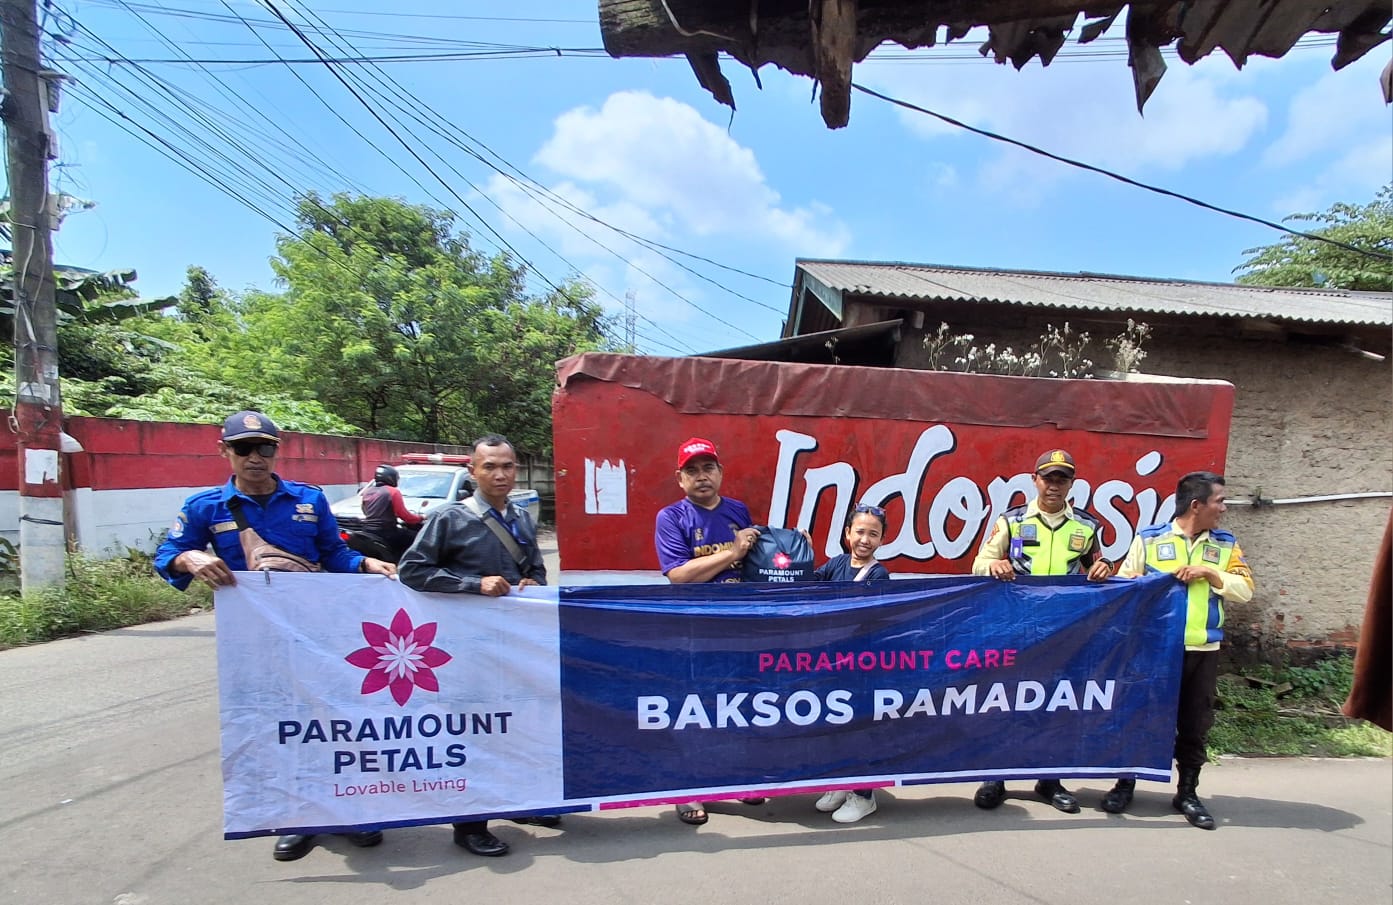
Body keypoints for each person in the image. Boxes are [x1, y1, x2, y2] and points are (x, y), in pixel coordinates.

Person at [153, 410, 396, 863]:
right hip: (255, 642)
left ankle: (354, 807)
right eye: (243, 448)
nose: (254, 457)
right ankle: (297, 818)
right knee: (280, 729)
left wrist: (366, 564)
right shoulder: (205, 507)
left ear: (275, 450)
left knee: (336, 720)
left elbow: (334, 553)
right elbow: (166, 553)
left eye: (264, 447)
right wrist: (190, 558)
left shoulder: (309, 500)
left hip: (315, 632)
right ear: (224, 450)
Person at [397, 433, 557, 857]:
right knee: (475, 733)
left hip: (514, 646)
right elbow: (411, 570)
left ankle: (519, 804)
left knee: (517, 726)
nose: (500, 474)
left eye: (507, 466)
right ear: (473, 471)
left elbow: (538, 572)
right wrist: (473, 585)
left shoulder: (522, 518)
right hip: (465, 648)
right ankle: (470, 824)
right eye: (490, 466)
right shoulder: (450, 518)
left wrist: (532, 584)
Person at [970, 449, 1113, 814]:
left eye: (1061, 478)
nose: (1054, 485)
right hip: (1015, 629)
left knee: (1057, 704)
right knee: (1004, 699)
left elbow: (1099, 566)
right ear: (1034, 479)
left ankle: (1050, 780)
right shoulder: (1012, 521)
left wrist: (1104, 568)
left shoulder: (1087, 526)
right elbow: (979, 563)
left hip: (1063, 632)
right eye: (1048, 477)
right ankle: (995, 777)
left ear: (1071, 484)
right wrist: (996, 564)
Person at [1108, 471, 1254, 829]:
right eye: (1219, 501)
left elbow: (1246, 590)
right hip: (1154, 650)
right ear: (1196, 504)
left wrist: (1212, 574)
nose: (1223, 508)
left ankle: (1187, 792)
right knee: (1140, 718)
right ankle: (1125, 784)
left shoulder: (1225, 545)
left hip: (1202, 648)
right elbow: (1125, 586)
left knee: (1194, 723)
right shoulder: (1150, 539)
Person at [653, 436, 768, 825]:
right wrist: (731, 554)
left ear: (720, 472)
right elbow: (679, 576)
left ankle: (736, 780)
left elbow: (756, 562)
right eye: (692, 471)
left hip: (739, 629)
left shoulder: (738, 511)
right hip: (695, 630)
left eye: (708, 468)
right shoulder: (671, 518)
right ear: (680, 478)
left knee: (738, 706)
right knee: (695, 710)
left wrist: (788, 541)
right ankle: (687, 790)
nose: (701, 477)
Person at [811, 503, 891, 824]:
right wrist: (800, 553)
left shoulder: (878, 573)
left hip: (862, 667)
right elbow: (809, 583)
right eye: (859, 532)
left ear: (882, 540)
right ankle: (840, 784)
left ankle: (863, 795)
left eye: (873, 534)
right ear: (847, 534)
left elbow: (869, 616)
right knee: (833, 725)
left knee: (859, 729)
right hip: (831, 665)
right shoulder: (838, 563)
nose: (865, 539)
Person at [358, 464, 424, 561]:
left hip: (368, 530)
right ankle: (405, 564)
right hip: (387, 532)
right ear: (391, 478)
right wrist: (421, 517)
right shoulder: (393, 492)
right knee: (416, 537)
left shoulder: (367, 492)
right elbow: (405, 516)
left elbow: (365, 511)